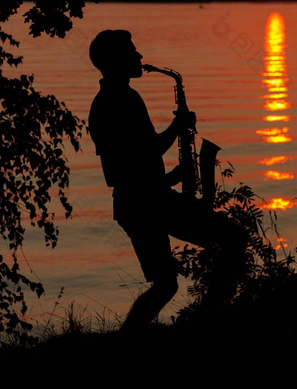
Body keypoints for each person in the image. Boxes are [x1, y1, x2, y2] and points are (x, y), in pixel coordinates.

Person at [88, 29, 248, 334]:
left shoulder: (115, 97)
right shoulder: (119, 100)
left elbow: (132, 165)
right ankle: (210, 319)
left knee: (165, 285)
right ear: (115, 60)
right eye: (132, 52)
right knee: (234, 239)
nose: (140, 57)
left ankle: (128, 339)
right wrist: (178, 125)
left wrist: (174, 176)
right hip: (147, 203)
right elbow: (145, 153)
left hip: (137, 201)